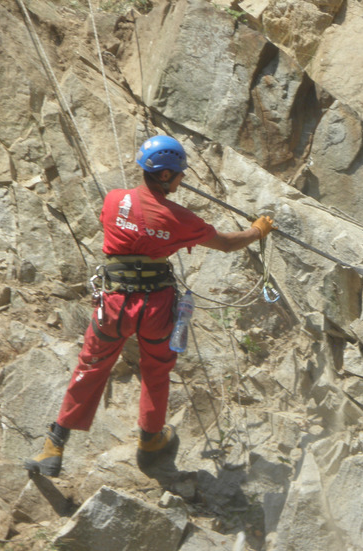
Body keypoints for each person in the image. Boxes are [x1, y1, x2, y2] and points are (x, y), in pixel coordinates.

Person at [25, 135, 276, 477]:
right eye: (178, 174)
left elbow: (115, 227)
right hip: (155, 306)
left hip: (113, 303)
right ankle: (150, 441)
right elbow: (227, 244)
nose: (182, 179)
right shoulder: (179, 218)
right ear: (164, 176)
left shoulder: (114, 200)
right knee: (156, 371)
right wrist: (257, 231)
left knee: (91, 367)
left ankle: (54, 447)